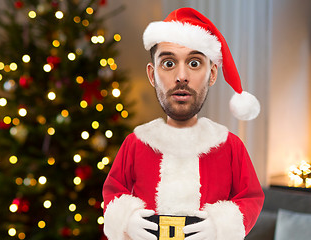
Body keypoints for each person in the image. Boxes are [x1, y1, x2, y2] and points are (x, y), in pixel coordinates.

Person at [102, 7, 264, 240]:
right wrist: (126, 221)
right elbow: (113, 192)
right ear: (152, 74)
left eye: (195, 63)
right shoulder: (135, 144)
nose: (181, 76)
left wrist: (221, 227)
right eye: (168, 64)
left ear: (212, 73)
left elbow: (251, 198)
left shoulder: (230, 147)